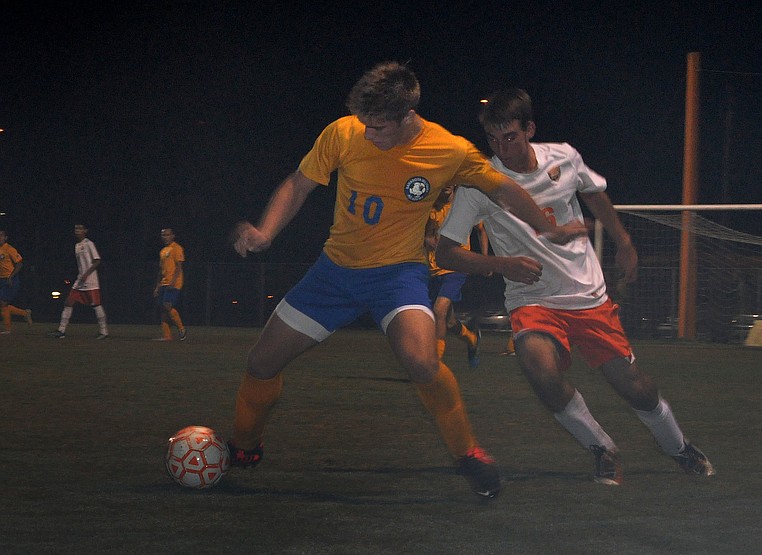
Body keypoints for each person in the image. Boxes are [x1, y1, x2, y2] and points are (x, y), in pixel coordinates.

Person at [227, 62, 582, 499]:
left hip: (397, 276)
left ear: (407, 116)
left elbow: (504, 190)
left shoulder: (447, 150)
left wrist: (549, 228)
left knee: (422, 362)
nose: (368, 134)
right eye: (364, 124)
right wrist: (265, 231)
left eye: (378, 127)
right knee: (261, 363)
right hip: (334, 273)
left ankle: (468, 453)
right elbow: (299, 185)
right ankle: (244, 448)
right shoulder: (342, 133)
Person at [436, 88, 714, 485]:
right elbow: (445, 253)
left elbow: (595, 194)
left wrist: (624, 242)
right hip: (531, 299)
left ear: (530, 129)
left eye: (510, 137)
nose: (502, 148)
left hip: (586, 296)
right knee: (539, 369)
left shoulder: (564, 157)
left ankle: (678, 446)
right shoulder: (480, 184)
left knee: (636, 389)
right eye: (493, 140)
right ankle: (602, 448)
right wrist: (502, 265)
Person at [425, 185, 485, 368]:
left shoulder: (464, 206)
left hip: (456, 267)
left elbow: (481, 230)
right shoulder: (431, 207)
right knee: (449, 321)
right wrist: (434, 243)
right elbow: (426, 236)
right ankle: (472, 339)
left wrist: (483, 259)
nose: (447, 185)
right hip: (434, 269)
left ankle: (435, 365)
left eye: (451, 181)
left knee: (438, 310)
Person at [49, 223, 109, 339]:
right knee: (68, 302)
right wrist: (82, 275)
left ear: (85, 231)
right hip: (80, 280)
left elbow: (97, 260)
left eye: (80, 228)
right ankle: (61, 330)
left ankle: (104, 332)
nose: (77, 230)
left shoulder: (89, 244)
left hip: (91, 280)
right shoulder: (77, 245)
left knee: (96, 304)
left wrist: (87, 274)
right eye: (76, 228)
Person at [153, 228, 187, 341]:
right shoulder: (163, 251)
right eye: (163, 235)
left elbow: (178, 267)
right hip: (164, 283)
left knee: (167, 305)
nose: (165, 237)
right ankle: (167, 336)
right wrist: (157, 286)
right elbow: (160, 270)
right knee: (163, 308)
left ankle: (182, 329)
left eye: (167, 235)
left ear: (173, 236)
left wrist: (173, 281)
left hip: (174, 283)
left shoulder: (177, 248)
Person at [0, 230, 33, 334]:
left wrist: (11, 277)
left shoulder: (9, 249)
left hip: (10, 279)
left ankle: (8, 329)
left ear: (6, 238)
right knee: (3, 304)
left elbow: (19, 264)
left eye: (1, 235)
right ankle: (24, 313)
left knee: (3, 303)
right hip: (1, 279)